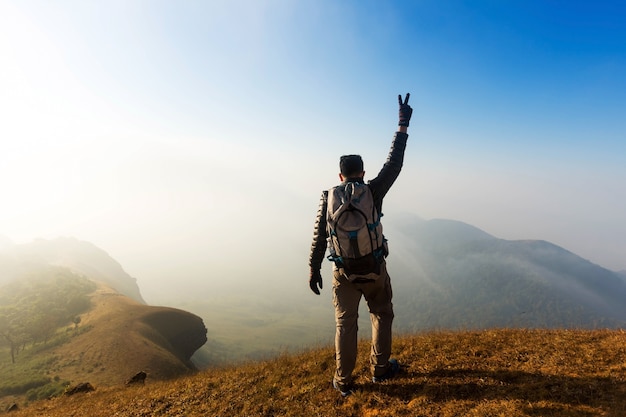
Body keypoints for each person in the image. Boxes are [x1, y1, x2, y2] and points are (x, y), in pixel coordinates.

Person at [308, 93, 413, 396]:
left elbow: (318, 238)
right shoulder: (373, 190)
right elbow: (394, 164)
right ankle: (380, 370)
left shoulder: (328, 197)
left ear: (340, 175)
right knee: (381, 313)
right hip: (374, 268)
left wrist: (313, 270)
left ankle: (343, 381)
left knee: (345, 323)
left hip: (344, 273)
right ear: (363, 173)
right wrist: (402, 126)